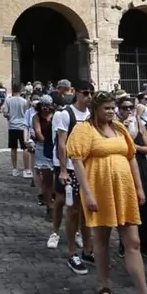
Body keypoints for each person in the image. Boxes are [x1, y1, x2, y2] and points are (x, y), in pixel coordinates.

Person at [67, 90, 147, 294]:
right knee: (102, 241)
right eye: (106, 108)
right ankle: (103, 286)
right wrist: (87, 194)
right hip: (99, 190)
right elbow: (77, 162)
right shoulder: (84, 130)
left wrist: (138, 187)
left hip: (124, 190)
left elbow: (131, 158)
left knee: (134, 242)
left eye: (112, 108)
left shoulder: (119, 128)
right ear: (96, 109)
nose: (110, 112)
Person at [52, 80, 95, 272]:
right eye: (85, 93)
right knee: (73, 211)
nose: (89, 97)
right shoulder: (65, 114)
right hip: (70, 168)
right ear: (76, 93)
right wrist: (62, 169)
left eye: (91, 93)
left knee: (88, 213)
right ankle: (71, 252)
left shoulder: (93, 115)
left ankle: (87, 249)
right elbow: (62, 143)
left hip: (89, 168)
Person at [117, 93, 147, 257]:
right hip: (122, 167)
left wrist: (131, 146)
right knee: (125, 205)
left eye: (131, 107)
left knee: (145, 205)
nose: (128, 110)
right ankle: (125, 243)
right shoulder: (115, 126)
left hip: (141, 166)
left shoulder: (139, 125)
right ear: (119, 109)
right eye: (125, 108)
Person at [3, 82, 28, 177]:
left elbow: (5, 113)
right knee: (25, 148)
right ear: (21, 90)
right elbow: (27, 114)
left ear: (12, 90)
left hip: (12, 126)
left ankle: (14, 169)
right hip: (22, 127)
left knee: (13, 148)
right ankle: (26, 169)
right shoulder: (24, 101)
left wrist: (9, 117)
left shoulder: (8, 100)